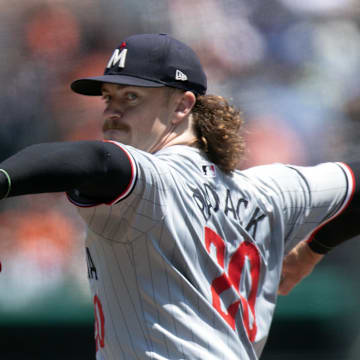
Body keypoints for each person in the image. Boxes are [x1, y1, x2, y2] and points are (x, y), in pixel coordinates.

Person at [0, 33, 359, 360]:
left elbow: (96, 160)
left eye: (131, 97)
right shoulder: (269, 189)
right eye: (108, 98)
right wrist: (314, 250)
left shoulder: (157, 181)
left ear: (182, 105)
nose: (111, 111)